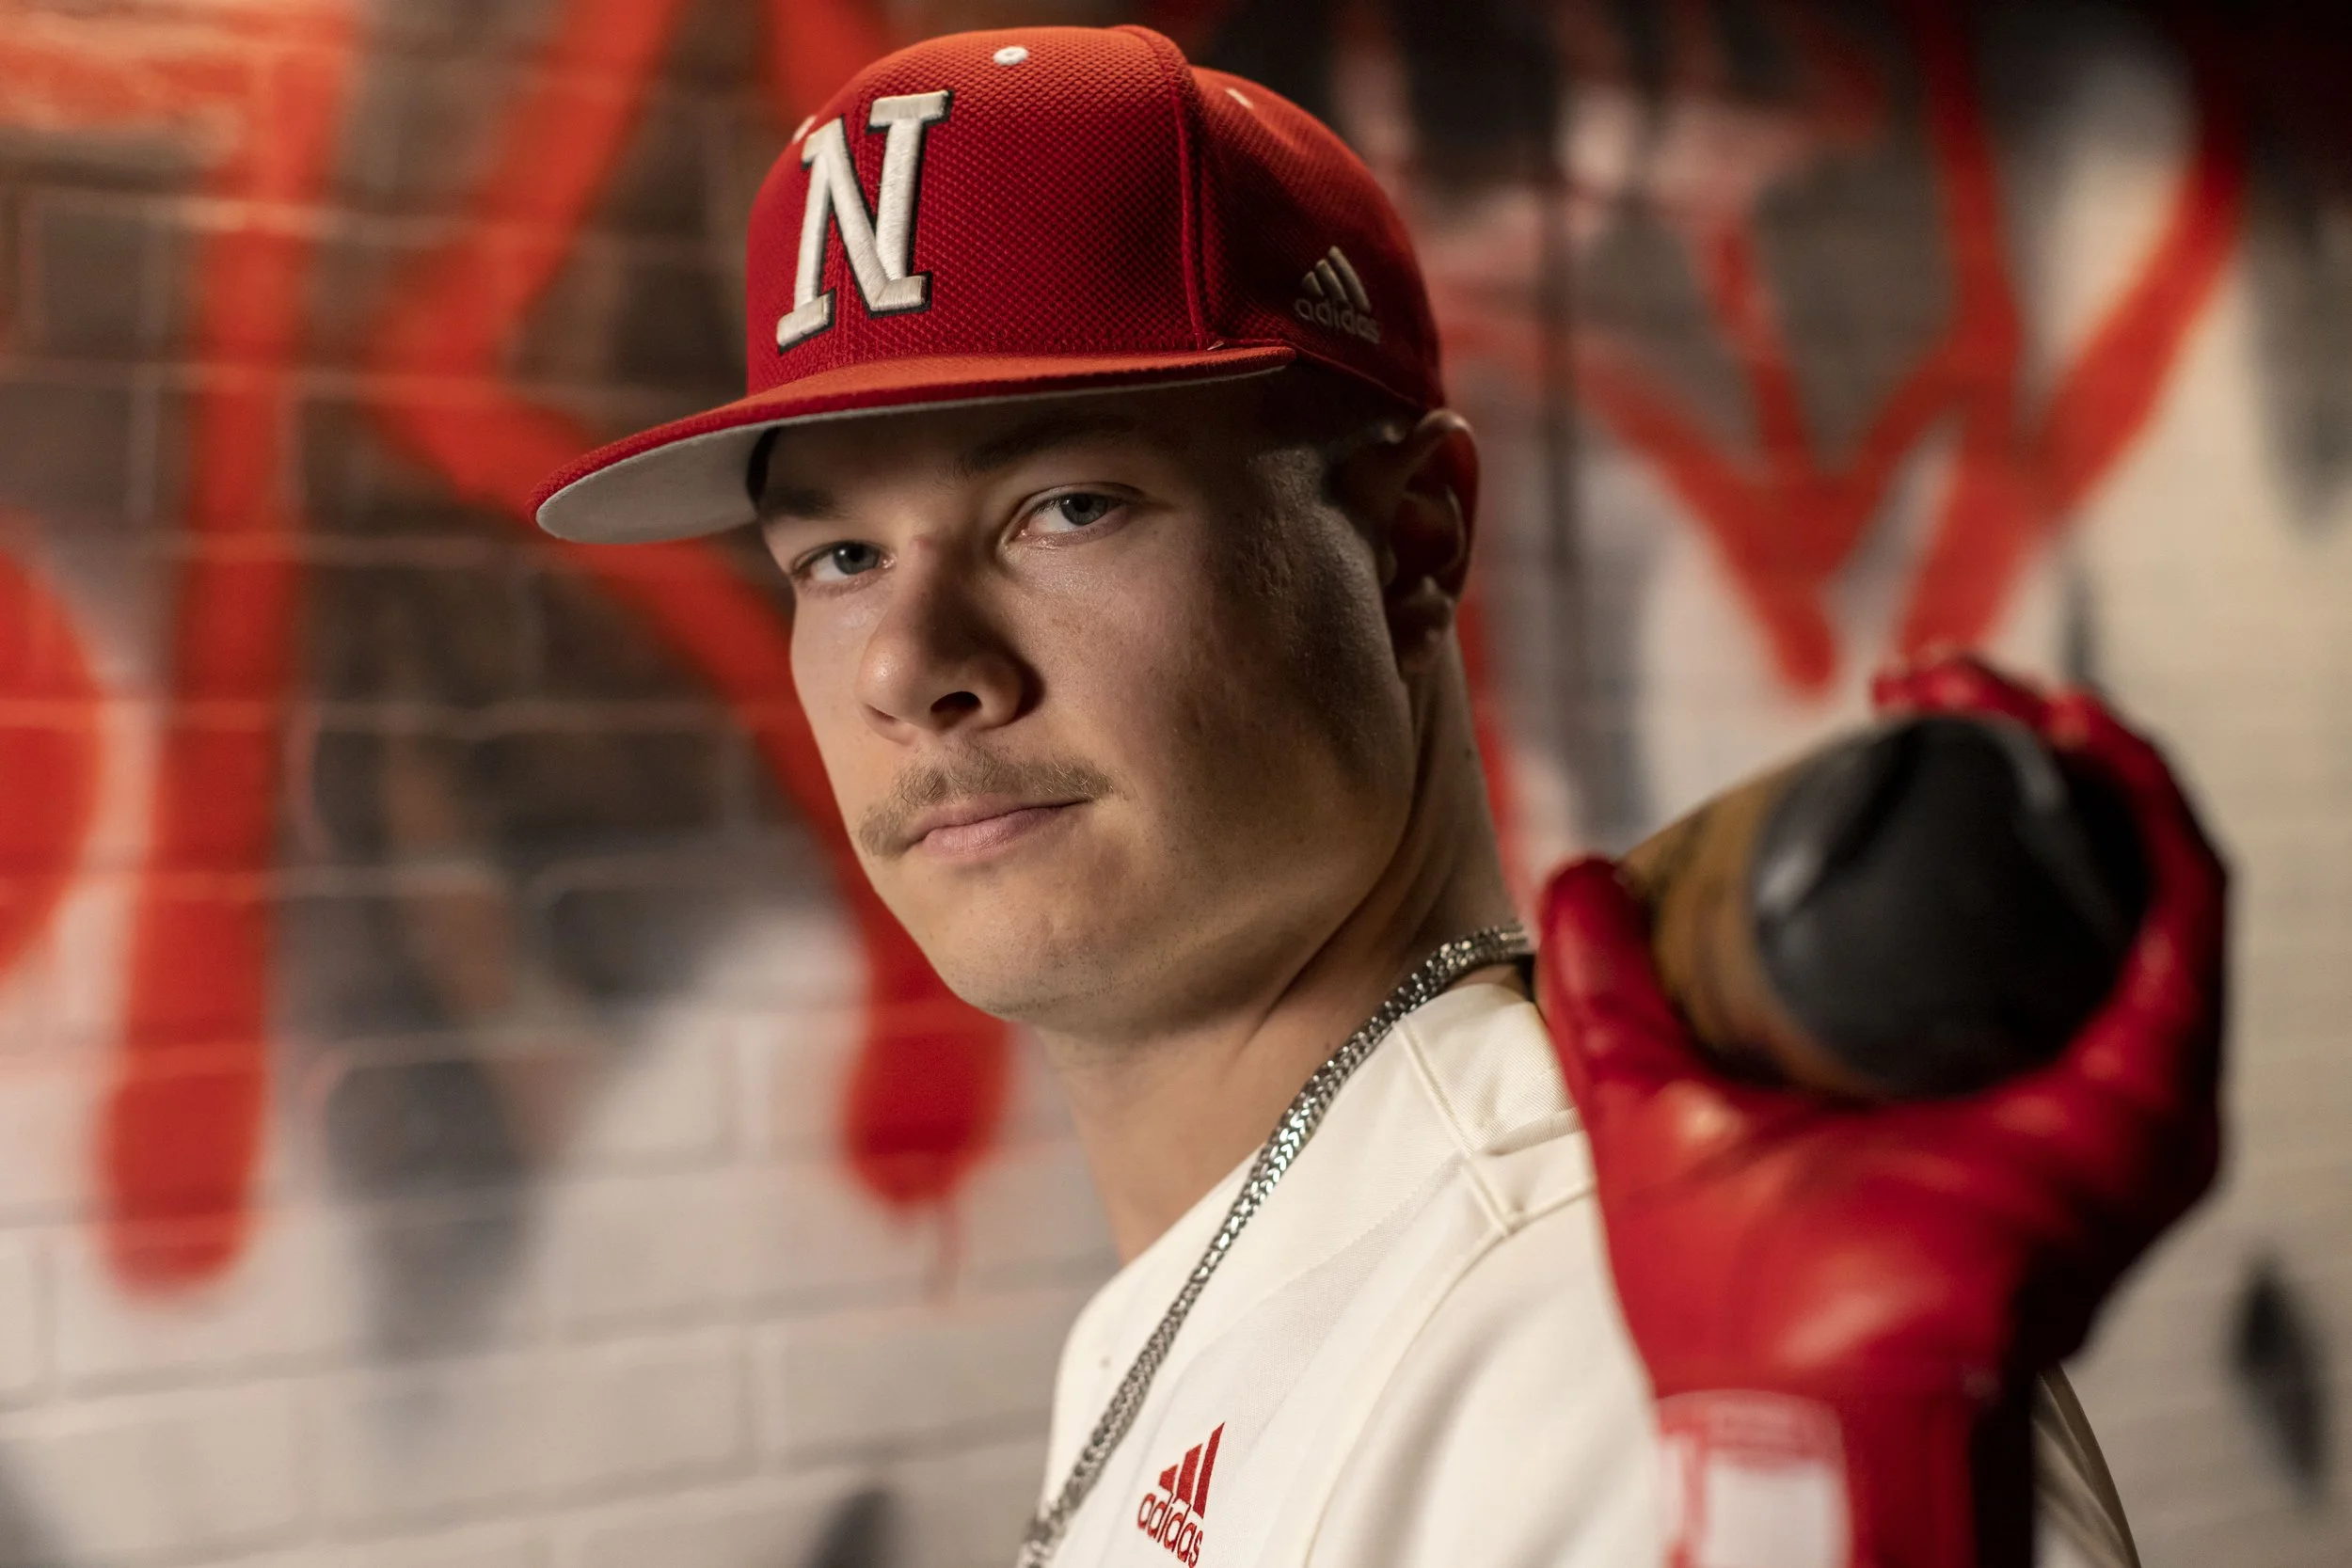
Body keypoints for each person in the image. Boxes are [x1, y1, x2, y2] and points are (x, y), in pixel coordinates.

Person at [529, 24, 2224, 1568]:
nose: (914, 666)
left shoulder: (1604, 1328)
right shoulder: (1238, 1277)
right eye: (837, 555)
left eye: (1066, 506)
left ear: (1413, 540)